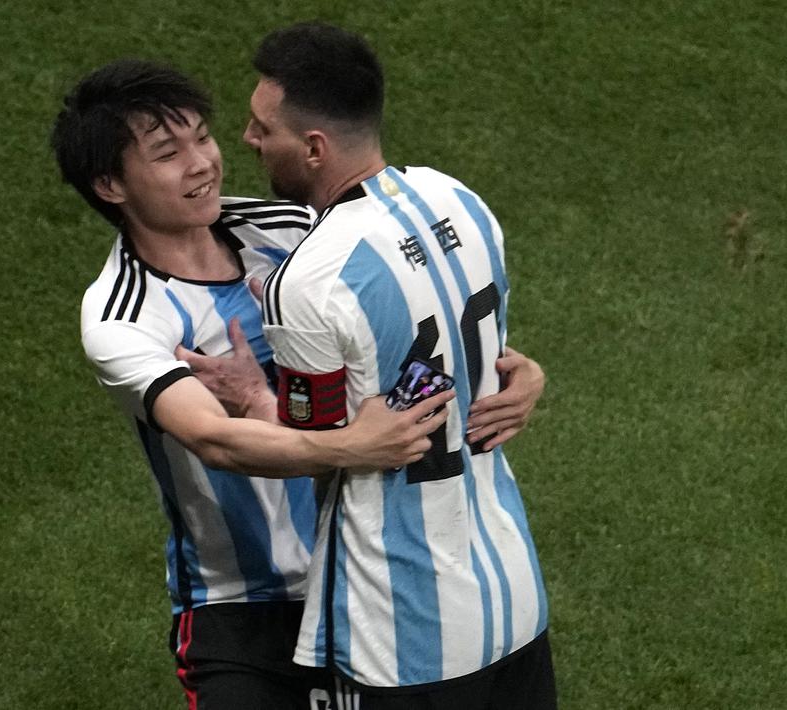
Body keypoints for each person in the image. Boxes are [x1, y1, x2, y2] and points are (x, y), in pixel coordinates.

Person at [49, 59, 544, 709]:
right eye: (168, 153)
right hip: (242, 604)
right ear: (110, 184)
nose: (202, 162)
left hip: (364, 576)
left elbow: (406, 321)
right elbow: (216, 440)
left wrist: (516, 366)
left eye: (202, 137)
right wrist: (350, 448)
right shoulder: (124, 316)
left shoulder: (289, 230)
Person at [233, 22, 558, 708]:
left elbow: (322, 453)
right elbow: (490, 364)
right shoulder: (459, 200)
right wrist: (530, 377)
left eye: (263, 128)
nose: (248, 140)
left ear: (313, 148)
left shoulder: (310, 281)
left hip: (404, 629)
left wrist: (251, 396)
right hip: (510, 592)